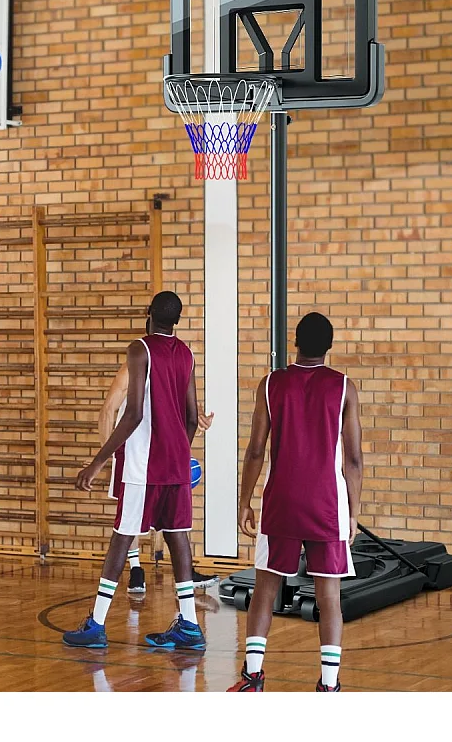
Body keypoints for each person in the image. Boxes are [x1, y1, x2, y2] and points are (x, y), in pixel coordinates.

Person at [62, 292, 206, 651]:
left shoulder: (140, 349)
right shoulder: (186, 354)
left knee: (122, 538)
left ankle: (95, 624)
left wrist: (98, 461)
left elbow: (134, 413)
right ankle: (189, 625)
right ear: (177, 320)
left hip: (144, 463)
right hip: (174, 463)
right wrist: (179, 449)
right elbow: (192, 417)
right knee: (177, 538)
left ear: (148, 314)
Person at [228, 312, 363, 692]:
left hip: (281, 501)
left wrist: (244, 502)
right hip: (326, 504)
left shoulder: (271, 384)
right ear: (329, 347)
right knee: (329, 597)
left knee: (265, 589)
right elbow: (353, 459)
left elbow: (255, 450)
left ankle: (253, 676)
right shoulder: (344, 387)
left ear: (296, 343)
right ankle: (329, 685)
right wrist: (353, 512)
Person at [97, 325, 218, 596]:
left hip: (162, 455)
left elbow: (174, 408)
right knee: (129, 523)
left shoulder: (175, 360)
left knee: (168, 524)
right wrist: (105, 457)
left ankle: (177, 583)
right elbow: (109, 410)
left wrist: (198, 418)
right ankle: (136, 569)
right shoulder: (132, 367)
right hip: (132, 452)